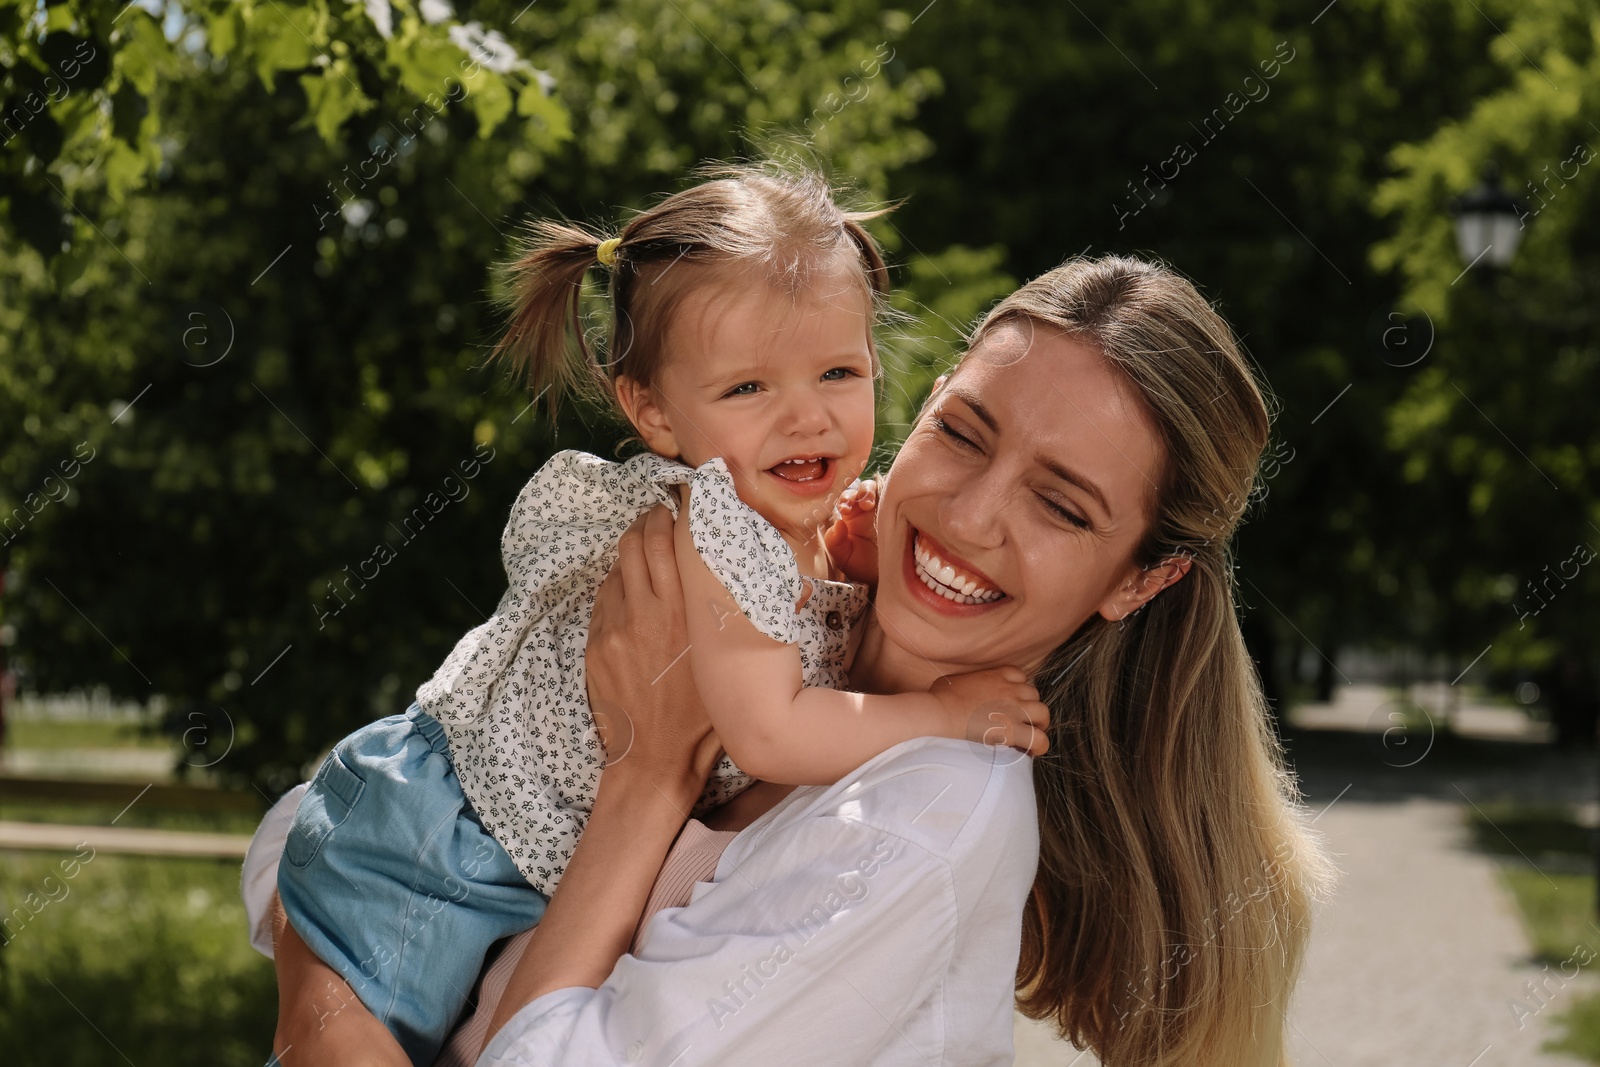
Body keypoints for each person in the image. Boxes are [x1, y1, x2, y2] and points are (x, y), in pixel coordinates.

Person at [260, 255, 1332, 1066]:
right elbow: (348, 806)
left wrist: (646, 778)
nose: (967, 513)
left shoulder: (927, 815)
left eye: (1060, 503)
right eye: (961, 432)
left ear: (1137, 580)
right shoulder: (775, 605)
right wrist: (326, 969)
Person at [272, 166, 1044, 1066]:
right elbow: (771, 732)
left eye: (838, 370)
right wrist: (948, 713)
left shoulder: (782, 525)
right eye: (748, 389)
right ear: (653, 412)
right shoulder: (717, 521)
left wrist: (851, 567)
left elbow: (773, 649)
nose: (807, 417)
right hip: (442, 842)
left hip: (486, 840)